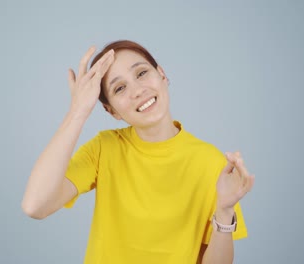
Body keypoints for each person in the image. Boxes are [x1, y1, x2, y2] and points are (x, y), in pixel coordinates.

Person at [22, 40, 255, 264]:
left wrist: (224, 211)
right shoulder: (104, 149)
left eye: (141, 73)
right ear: (112, 111)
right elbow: (35, 205)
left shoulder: (211, 163)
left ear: (161, 74)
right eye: (120, 88)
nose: (137, 91)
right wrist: (78, 112)